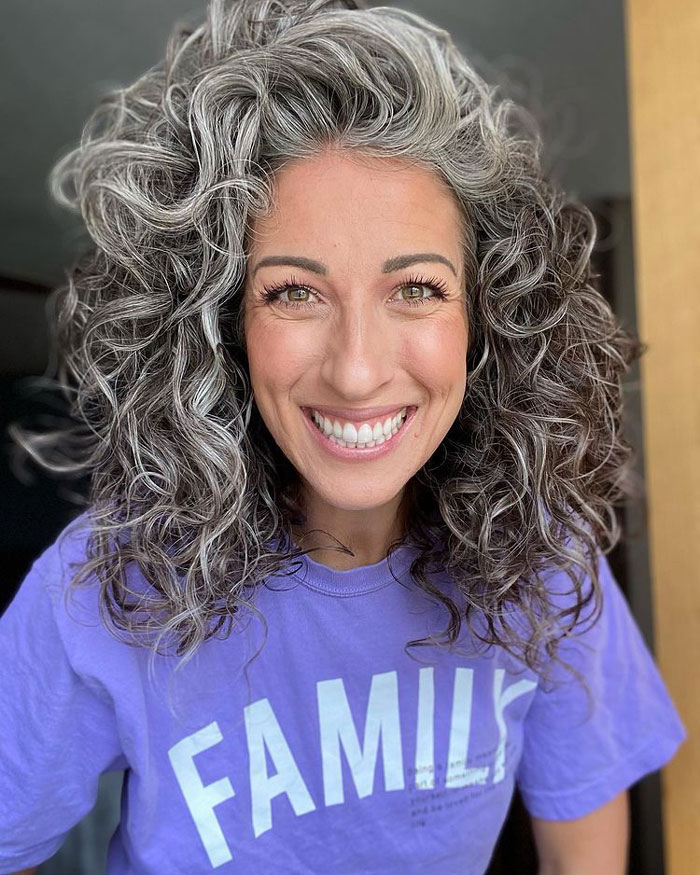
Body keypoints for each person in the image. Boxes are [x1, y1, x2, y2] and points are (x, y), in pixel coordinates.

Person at [0, 0, 686, 873]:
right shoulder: (108, 583)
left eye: (418, 289)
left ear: (486, 320)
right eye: (294, 291)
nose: (358, 371)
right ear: (221, 321)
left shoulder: (545, 560)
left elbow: (586, 855)